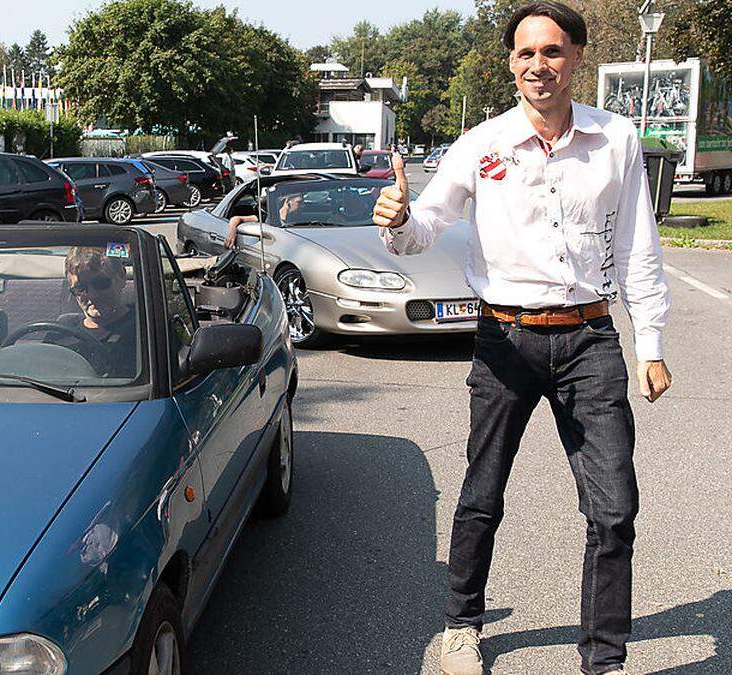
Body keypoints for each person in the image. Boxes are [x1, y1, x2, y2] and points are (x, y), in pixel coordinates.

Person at [373, 4, 671, 675]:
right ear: (511, 63)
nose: (540, 65)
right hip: (504, 340)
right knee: (482, 490)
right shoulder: (482, 143)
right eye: (526, 53)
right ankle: (460, 625)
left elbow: (637, 247)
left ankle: (604, 659)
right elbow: (424, 226)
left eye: (554, 51)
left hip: (590, 338)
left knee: (614, 508)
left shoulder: (616, 139)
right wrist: (395, 220)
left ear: (576, 59)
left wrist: (649, 341)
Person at [46, 246, 138, 378]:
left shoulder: (146, 329)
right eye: (80, 288)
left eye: (101, 283)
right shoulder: (61, 329)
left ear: (122, 277)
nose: (92, 295)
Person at [223, 191, 305, 249]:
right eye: (299, 202)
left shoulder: (301, 219)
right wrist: (232, 232)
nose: (303, 205)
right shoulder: (266, 217)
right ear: (287, 202)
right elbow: (236, 219)